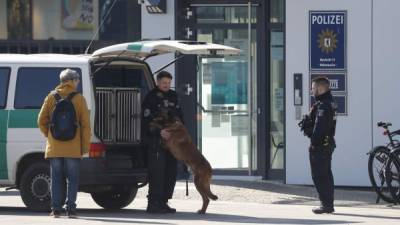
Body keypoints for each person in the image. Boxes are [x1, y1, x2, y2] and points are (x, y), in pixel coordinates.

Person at [38, 69, 91, 218]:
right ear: (72, 81)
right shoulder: (79, 99)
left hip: (54, 147)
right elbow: (86, 125)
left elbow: (41, 121)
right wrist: (85, 146)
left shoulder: (51, 97)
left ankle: (55, 210)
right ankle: (71, 209)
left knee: (56, 178)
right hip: (73, 147)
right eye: (77, 80)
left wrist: (49, 135)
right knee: (72, 179)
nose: (78, 82)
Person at [142, 71, 184, 213]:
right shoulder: (151, 97)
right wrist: (159, 132)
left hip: (172, 142)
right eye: (164, 83)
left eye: (168, 83)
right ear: (157, 82)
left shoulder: (173, 96)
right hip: (156, 141)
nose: (166, 85)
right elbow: (146, 119)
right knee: (157, 173)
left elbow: (180, 116)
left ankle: (164, 201)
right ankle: (153, 203)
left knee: (170, 172)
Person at [305, 76, 337, 214]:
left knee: (320, 175)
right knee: (326, 174)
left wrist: (312, 139)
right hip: (327, 143)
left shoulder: (323, 105)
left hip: (321, 145)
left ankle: (326, 205)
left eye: (313, 88)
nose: (311, 90)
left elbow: (320, 128)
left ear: (320, 88)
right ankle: (327, 203)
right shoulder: (327, 102)